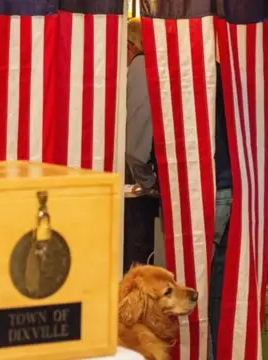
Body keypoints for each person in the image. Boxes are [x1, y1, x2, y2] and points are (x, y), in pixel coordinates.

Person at [123, 17, 159, 272]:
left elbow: (137, 140)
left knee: (136, 257)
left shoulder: (140, 67)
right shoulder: (150, 67)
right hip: (144, 176)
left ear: (130, 44)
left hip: (138, 181)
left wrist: (147, 183)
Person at [209, 59, 232, 359]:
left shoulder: (183, 68)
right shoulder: (227, 70)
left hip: (205, 189)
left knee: (187, 290)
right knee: (217, 291)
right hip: (231, 187)